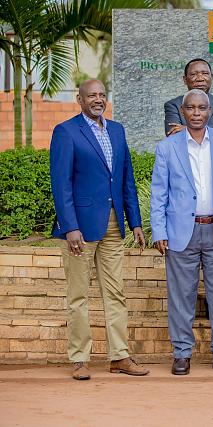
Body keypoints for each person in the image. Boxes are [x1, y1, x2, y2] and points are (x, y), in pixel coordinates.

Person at [49, 79, 149, 380]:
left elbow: (126, 180)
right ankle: (80, 358)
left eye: (102, 95)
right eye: (91, 95)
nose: (98, 99)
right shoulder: (66, 131)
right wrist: (70, 227)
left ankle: (120, 356)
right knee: (78, 295)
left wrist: (135, 222)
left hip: (114, 225)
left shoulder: (117, 130)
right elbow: (61, 184)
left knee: (115, 292)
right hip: (80, 228)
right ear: (79, 99)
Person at [151, 89, 213, 376]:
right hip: (181, 232)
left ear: (210, 111)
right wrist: (159, 230)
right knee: (181, 296)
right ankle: (181, 353)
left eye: (202, 108)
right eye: (191, 108)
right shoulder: (167, 147)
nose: (197, 113)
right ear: (183, 112)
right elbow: (159, 193)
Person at [164, 58, 213, 140]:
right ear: (185, 80)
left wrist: (188, 129)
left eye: (205, 73)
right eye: (193, 74)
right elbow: (174, 134)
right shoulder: (173, 105)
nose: (200, 79)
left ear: (211, 77)